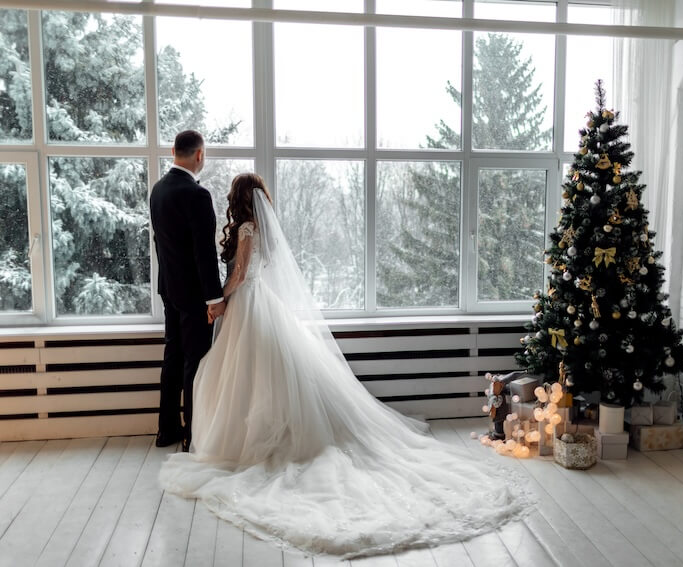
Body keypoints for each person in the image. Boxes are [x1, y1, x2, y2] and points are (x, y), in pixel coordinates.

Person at [159, 173, 531, 559]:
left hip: (249, 304)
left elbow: (239, 274)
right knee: (249, 375)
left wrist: (218, 299)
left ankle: (251, 441)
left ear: (237, 199)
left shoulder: (248, 228)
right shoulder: (258, 227)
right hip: (256, 304)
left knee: (247, 373)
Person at [150, 130, 226, 452]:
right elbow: (204, 252)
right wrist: (215, 298)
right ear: (199, 155)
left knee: (173, 357)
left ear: (173, 151)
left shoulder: (158, 190)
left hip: (169, 288)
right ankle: (191, 435)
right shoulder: (197, 195)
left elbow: (160, 243)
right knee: (194, 362)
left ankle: (166, 429)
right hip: (194, 295)